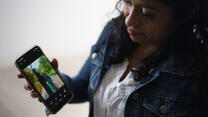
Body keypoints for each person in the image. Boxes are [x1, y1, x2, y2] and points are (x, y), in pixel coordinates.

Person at [18, 0, 208, 116]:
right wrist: (55, 82)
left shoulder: (196, 73)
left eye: (147, 13)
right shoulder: (113, 33)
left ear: (185, 14)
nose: (129, 20)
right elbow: (83, 86)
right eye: (128, 2)